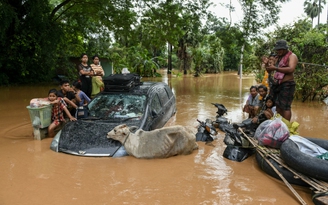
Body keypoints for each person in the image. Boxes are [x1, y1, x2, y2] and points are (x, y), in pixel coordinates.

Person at [266, 40, 298, 121]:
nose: (278, 51)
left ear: (285, 49)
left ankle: (286, 126)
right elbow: (269, 70)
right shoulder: (277, 58)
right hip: (277, 84)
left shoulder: (292, 56)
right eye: (277, 50)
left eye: (280, 49)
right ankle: (279, 124)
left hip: (287, 84)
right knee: (278, 105)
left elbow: (291, 69)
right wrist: (267, 64)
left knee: (285, 107)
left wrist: (276, 68)